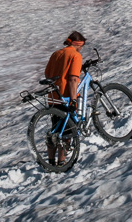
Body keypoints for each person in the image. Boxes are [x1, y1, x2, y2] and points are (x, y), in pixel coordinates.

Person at [44, 31, 86, 165]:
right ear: (78, 44)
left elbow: (47, 74)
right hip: (65, 96)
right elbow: (73, 79)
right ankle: (62, 162)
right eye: (81, 46)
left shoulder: (56, 54)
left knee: (55, 129)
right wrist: (73, 99)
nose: (81, 49)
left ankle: (51, 162)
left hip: (53, 97)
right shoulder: (76, 55)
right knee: (66, 132)